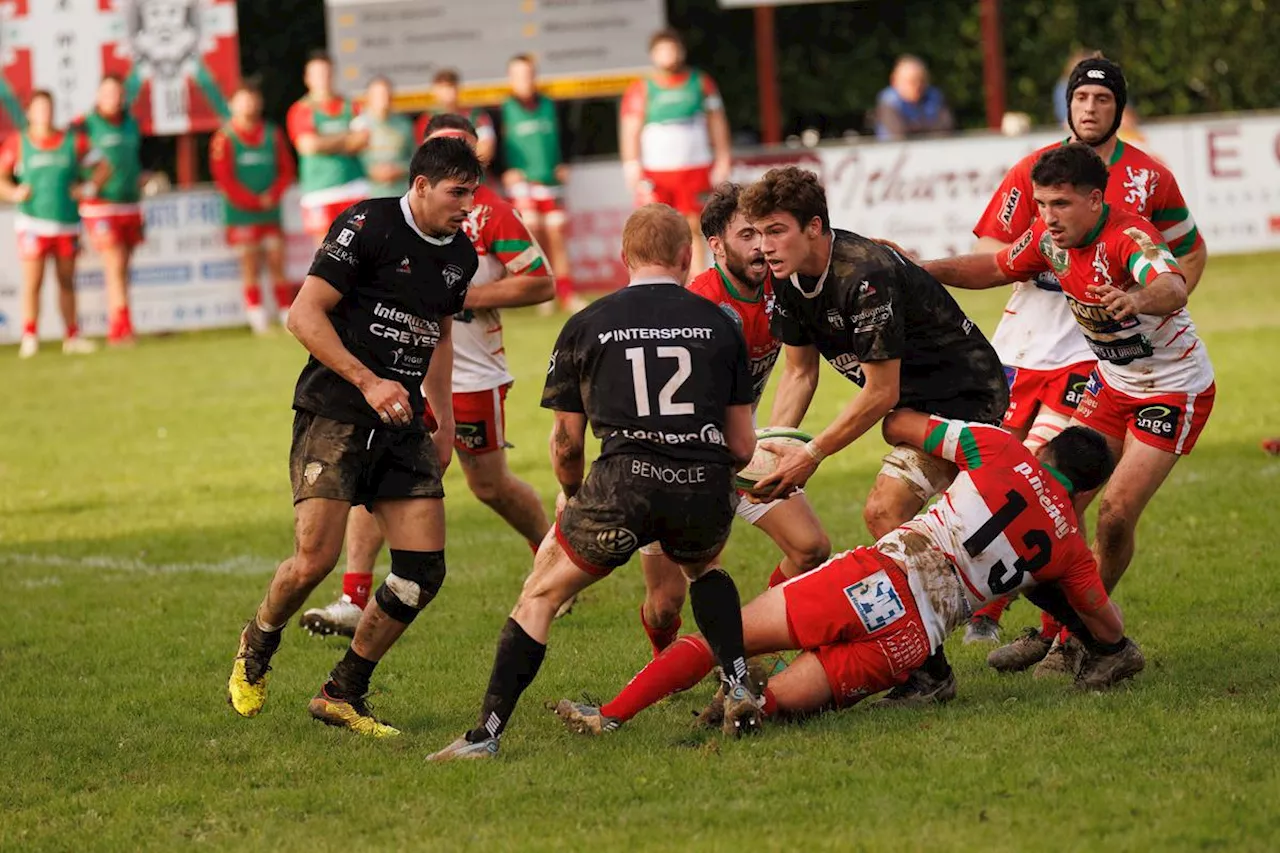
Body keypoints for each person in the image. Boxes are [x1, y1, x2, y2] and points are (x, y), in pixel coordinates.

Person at [553, 410, 1144, 734]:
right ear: (1087, 488)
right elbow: (1107, 626)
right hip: (911, 641)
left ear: (1045, 453)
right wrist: (1110, 645)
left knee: (719, 639)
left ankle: (609, 716)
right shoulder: (1068, 548)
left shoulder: (1000, 448)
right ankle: (744, 715)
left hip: (875, 580)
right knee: (772, 706)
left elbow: (901, 426)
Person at [426, 204, 760, 760]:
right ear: (686, 256)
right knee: (703, 568)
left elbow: (565, 442)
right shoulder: (721, 323)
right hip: (702, 483)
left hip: (620, 485)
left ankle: (485, 735)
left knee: (540, 596)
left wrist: (574, 489)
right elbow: (744, 446)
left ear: (623, 257)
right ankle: (742, 685)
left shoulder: (588, 321)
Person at [924, 142, 1214, 677]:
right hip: (1113, 384)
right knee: (1048, 500)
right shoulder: (1049, 240)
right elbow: (992, 266)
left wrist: (1135, 299)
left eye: (1060, 204)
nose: (1048, 217)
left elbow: (1171, 286)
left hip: (1173, 391)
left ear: (1094, 200)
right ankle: (1059, 632)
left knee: (1115, 513)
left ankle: (1092, 643)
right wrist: (919, 268)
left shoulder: (1130, 237)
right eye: (1041, 204)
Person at [225, 137, 482, 737]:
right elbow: (303, 315)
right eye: (457, 192)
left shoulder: (461, 257)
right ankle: (259, 639)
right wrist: (368, 381)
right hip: (337, 409)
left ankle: (342, 692)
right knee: (314, 559)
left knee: (422, 572)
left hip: (402, 421)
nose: (468, 205)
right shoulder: (367, 223)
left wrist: (439, 414)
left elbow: (439, 333)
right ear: (420, 186)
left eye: (473, 192)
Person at [739, 165, 1008, 706]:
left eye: (777, 231)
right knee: (986, 529)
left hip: (965, 400)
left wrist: (812, 454)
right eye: (759, 232)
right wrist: (773, 447)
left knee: (889, 513)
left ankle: (928, 674)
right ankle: (1090, 636)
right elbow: (798, 372)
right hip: (912, 408)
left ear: (814, 227)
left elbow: (881, 391)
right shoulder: (787, 277)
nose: (765, 247)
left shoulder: (864, 274)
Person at [964, 57, 1207, 646]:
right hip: (1048, 354)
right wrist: (912, 269)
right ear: (1066, 106)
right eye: (1081, 98)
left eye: (1102, 99)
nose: (1091, 108)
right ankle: (1002, 613)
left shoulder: (1145, 189)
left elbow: (1184, 261)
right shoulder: (1039, 172)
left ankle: (1070, 637)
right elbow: (998, 256)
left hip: (1123, 368)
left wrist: (1148, 302)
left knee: (1101, 506)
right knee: (1031, 483)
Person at [299, 113, 556, 638]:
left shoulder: (486, 216)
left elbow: (541, 282)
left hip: (475, 372)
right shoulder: (394, 220)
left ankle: (555, 565)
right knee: (380, 477)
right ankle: (354, 595)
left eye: (466, 156)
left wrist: (459, 297)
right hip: (400, 372)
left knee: (489, 485)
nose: (461, 186)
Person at [637, 182, 831, 659]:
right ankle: (668, 663)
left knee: (810, 548)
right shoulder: (699, 307)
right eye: (748, 235)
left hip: (742, 443)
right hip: (678, 457)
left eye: (765, 233)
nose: (762, 246)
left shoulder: (781, 284)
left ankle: (758, 641)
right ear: (717, 246)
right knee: (666, 605)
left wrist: (772, 442)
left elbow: (801, 370)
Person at [0, 90, 106, 358]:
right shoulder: (19, 143)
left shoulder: (72, 141)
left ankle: (72, 336)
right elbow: (1, 179)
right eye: (38, 108)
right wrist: (14, 193)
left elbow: (103, 166)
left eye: (48, 108)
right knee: (33, 282)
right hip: (33, 224)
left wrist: (89, 188)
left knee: (67, 281)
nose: (44, 113)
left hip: (66, 223)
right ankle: (30, 336)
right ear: (28, 113)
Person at [619, 29, 732, 272]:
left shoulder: (700, 83)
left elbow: (717, 121)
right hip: (656, 171)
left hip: (694, 168)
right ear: (653, 55)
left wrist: (722, 158)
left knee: (694, 226)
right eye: (662, 50)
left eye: (672, 49)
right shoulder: (642, 88)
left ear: (681, 51)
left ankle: (697, 280)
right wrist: (631, 165)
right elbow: (630, 128)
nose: (668, 55)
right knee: (655, 228)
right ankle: (660, 280)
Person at [209, 81, 295, 334]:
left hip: (270, 212)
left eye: (252, 99)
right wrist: (253, 201)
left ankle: (285, 312)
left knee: (277, 261)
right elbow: (224, 179)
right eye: (242, 99)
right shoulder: (224, 138)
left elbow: (286, 169)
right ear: (232, 104)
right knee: (249, 263)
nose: (248, 104)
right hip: (241, 214)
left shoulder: (272, 133)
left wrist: (273, 194)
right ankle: (256, 315)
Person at [500, 54, 582, 314]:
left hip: (550, 181)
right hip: (523, 183)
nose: (525, 80)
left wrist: (565, 162)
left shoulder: (551, 105)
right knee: (532, 231)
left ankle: (566, 293)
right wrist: (505, 170)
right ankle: (542, 293)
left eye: (528, 74)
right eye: (519, 75)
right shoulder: (502, 111)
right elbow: (497, 148)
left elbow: (568, 135)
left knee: (557, 233)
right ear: (511, 80)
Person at [72, 75, 144, 346]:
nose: (113, 98)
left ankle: (122, 322)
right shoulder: (84, 125)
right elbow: (72, 157)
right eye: (107, 92)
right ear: (98, 95)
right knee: (113, 263)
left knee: (124, 266)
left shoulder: (131, 124)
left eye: (117, 93)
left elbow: (132, 162)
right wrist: (87, 186)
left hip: (129, 203)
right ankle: (120, 327)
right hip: (101, 207)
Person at [286, 51, 369, 249]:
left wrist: (324, 142)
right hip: (319, 191)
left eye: (327, 73)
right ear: (307, 78)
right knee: (326, 251)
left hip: (353, 187)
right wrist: (344, 139)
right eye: (317, 74)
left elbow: (362, 140)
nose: (323, 78)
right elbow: (308, 146)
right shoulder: (300, 110)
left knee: (360, 247)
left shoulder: (351, 106)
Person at [413, 69, 496, 167]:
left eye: (451, 86)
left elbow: (486, 151)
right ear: (434, 90)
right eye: (443, 87)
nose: (448, 92)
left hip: (476, 177)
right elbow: (426, 157)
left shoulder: (477, 116)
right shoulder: (424, 121)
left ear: (457, 88)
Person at [354, 76, 416, 199]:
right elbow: (351, 160)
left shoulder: (404, 124)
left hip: (399, 195)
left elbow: (415, 158)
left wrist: (400, 170)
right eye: (379, 95)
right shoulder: (358, 125)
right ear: (369, 97)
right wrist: (370, 171)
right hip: (367, 195)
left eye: (387, 94)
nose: (384, 99)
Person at [874, 55, 954, 141]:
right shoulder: (889, 101)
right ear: (895, 81)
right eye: (911, 81)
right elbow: (898, 134)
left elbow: (945, 129)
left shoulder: (935, 97)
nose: (917, 86)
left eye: (921, 80)